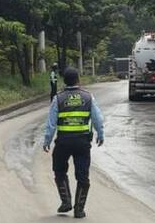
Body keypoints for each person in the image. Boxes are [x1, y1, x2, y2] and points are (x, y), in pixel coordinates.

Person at [42, 66, 104, 219]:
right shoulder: (88, 97)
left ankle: (66, 201)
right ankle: (79, 210)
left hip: (63, 142)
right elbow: (97, 118)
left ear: (64, 81)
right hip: (82, 143)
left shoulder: (58, 98)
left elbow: (51, 123)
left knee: (59, 170)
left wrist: (47, 140)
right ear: (78, 80)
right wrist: (100, 134)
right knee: (83, 176)